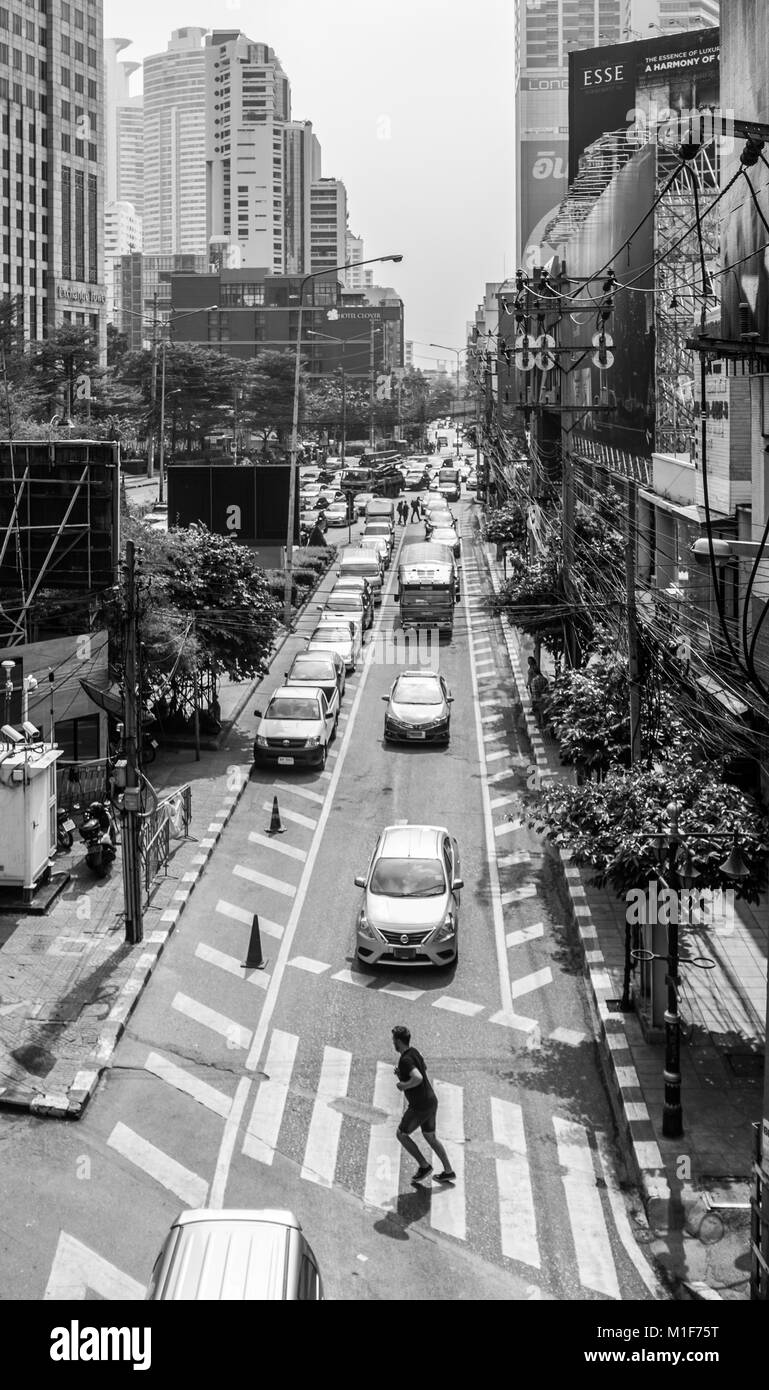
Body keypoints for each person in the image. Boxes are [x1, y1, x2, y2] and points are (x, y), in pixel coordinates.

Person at [391, 1025, 456, 1184]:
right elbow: (423, 1067)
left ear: (398, 1041)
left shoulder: (405, 1059)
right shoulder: (414, 1052)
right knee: (430, 1136)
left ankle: (424, 1166)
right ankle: (448, 1171)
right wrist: (402, 1075)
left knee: (402, 1134)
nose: (392, 1042)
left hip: (419, 1106)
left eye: (393, 1039)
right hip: (431, 1101)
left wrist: (403, 1085)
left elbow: (418, 1077)